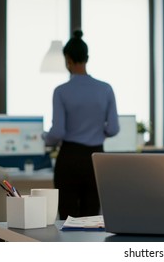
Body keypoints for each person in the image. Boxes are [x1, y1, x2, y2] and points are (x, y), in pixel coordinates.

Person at [43, 30, 120, 219]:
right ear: (87, 58)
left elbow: (58, 131)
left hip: (69, 158)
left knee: (67, 219)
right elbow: (113, 128)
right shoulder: (105, 89)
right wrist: (95, 130)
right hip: (96, 159)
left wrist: (45, 138)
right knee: (92, 219)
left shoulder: (61, 91)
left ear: (67, 59)